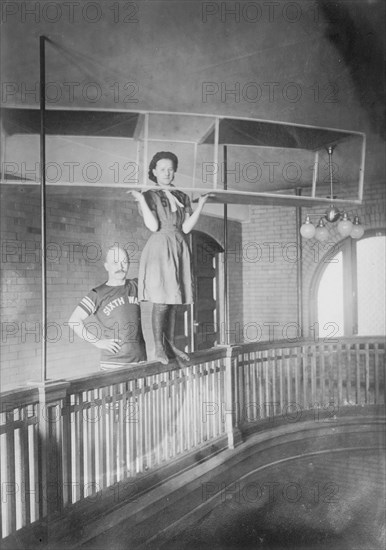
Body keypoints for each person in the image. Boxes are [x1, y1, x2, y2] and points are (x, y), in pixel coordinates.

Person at [130, 151, 209, 365]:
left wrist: (200, 205)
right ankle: (158, 347)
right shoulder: (149, 195)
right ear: (154, 171)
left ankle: (170, 344)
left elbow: (185, 227)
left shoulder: (182, 196)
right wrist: (140, 200)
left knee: (174, 301)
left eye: (170, 169)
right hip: (160, 247)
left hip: (179, 246)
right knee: (163, 301)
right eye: (162, 169)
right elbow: (153, 226)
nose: (167, 172)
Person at [68, 245, 146, 369]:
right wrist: (98, 342)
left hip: (140, 361)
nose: (120, 267)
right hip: (113, 364)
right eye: (115, 262)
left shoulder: (136, 286)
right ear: (106, 266)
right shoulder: (98, 293)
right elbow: (73, 321)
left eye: (124, 262)